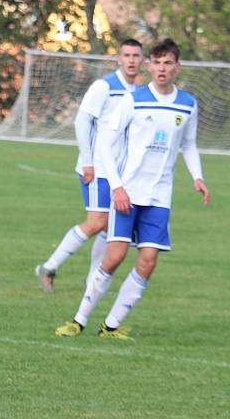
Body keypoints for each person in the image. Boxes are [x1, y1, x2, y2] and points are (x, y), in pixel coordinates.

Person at [55, 39, 211, 339]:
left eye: (168, 63)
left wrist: (198, 177)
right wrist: (117, 188)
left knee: (149, 259)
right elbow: (105, 143)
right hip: (127, 192)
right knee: (114, 257)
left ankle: (110, 326)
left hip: (159, 196)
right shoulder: (134, 100)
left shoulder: (188, 104)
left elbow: (189, 144)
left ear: (177, 66)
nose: (162, 68)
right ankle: (79, 319)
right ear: (148, 66)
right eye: (157, 62)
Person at [35, 39, 145, 293]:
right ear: (118, 58)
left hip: (121, 172)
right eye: (126, 55)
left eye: (135, 55)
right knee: (98, 221)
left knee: (109, 227)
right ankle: (49, 267)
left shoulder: (139, 93)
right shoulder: (104, 86)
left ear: (142, 61)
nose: (130, 60)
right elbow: (82, 122)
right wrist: (87, 162)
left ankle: (92, 282)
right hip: (98, 168)